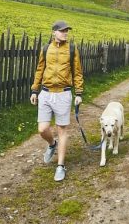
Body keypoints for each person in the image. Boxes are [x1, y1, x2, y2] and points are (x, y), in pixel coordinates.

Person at [30, 20, 84, 182]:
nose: (65, 33)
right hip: (46, 93)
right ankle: (52, 144)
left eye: (66, 30)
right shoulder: (46, 49)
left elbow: (78, 72)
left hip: (63, 94)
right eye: (62, 31)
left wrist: (79, 92)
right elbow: (40, 69)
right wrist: (34, 89)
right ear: (54, 32)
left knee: (62, 130)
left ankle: (60, 165)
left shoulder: (72, 49)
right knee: (42, 129)